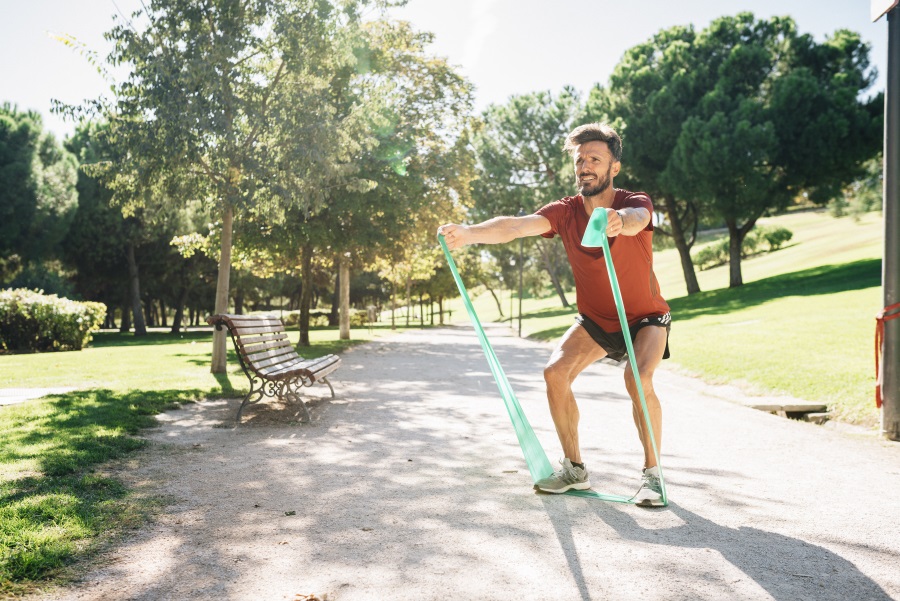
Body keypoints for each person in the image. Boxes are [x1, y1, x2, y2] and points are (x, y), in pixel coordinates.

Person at [438, 122, 671, 507]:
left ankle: (653, 476)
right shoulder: (564, 212)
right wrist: (468, 232)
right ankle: (574, 470)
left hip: (644, 317)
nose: (585, 166)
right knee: (554, 372)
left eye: (595, 158)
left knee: (638, 376)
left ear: (614, 167)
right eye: (580, 159)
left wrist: (619, 222)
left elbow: (638, 219)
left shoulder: (634, 199)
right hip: (596, 320)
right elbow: (514, 226)